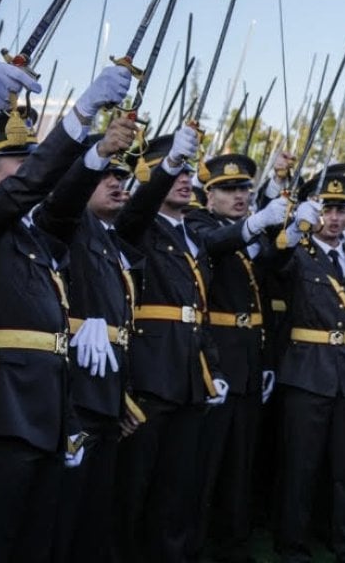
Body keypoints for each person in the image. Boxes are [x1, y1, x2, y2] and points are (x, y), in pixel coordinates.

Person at [0, 63, 131, 559]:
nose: (31, 172)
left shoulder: (32, 234)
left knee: (36, 541)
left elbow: (63, 204)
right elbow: (24, 191)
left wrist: (94, 154)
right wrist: (77, 116)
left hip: (46, 407)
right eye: (18, 164)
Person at [113, 127, 230, 561]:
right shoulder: (137, 225)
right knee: (134, 486)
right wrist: (166, 168)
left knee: (178, 487)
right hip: (150, 371)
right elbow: (136, 209)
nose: (185, 180)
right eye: (175, 171)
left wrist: (212, 368)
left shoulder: (192, 235)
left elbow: (200, 311)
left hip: (188, 373)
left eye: (187, 172)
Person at [38, 118, 146, 562]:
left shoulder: (108, 238)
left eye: (123, 178)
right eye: (106, 177)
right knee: (63, 510)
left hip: (105, 387)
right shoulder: (67, 223)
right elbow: (61, 205)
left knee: (93, 508)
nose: (117, 184)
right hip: (73, 389)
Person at [272, 173, 345, 563]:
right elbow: (273, 263)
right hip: (307, 372)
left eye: (341, 209)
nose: (334, 218)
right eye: (326, 209)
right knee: (301, 467)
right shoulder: (297, 252)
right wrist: (291, 229)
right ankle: (293, 547)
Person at [185, 153, 289, 561]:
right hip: (215, 357)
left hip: (247, 358)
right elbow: (215, 245)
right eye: (229, 189)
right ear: (208, 196)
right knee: (205, 464)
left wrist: (288, 233)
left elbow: (269, 269)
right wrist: (257, 224)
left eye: (244, 188)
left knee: (239, 464)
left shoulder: (247, 233)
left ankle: (234, 543)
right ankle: (194, 544)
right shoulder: (199, 224)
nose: (240, 195)